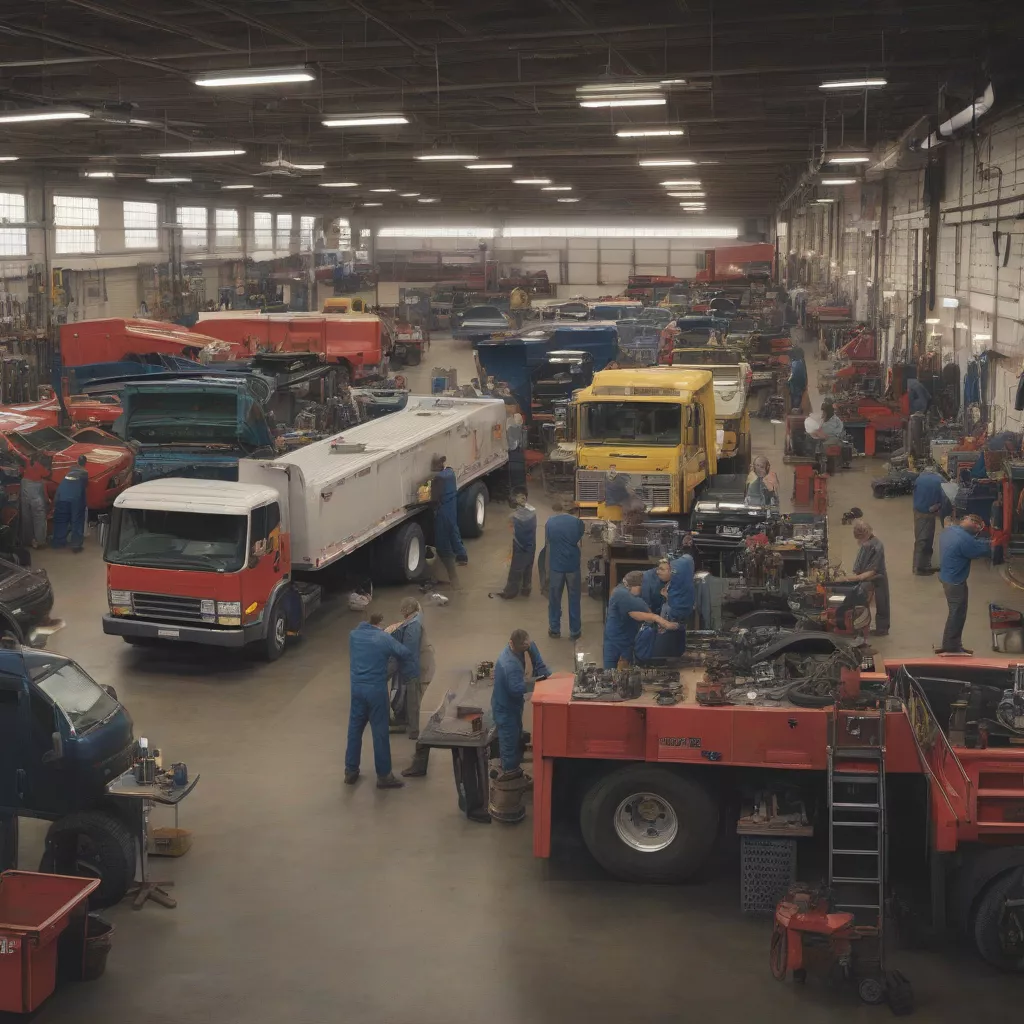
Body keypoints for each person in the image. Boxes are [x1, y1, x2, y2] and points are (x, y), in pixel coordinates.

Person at [345, 612, 415, 789]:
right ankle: (384, 776)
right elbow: (404, 653)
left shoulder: (354, 635)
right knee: (380, 732)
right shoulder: (382, 638)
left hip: (357, 689)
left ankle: (351, 770)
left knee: (355, 729)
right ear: (380, 624)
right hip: (376, 690)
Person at [491, 629, 550, 778]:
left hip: (514, 706)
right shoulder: (509, 665)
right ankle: (510, 773)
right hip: (505, 707)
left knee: (517, 733)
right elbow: (516, 689)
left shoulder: (524, 644)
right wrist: (537, 683)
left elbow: (538, 662)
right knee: (509, 740)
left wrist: (545, 675)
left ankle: (514, 762)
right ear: (512, 644)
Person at [391, 599, 437, 778]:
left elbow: (409, 653)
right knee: (414, 697)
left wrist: (410, 676)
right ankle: (410, 724)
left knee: (415, 698)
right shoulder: (415, 620)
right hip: (423, 665)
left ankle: (415, 730)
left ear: (406, 611)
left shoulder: (412, 627)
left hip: (419, 670)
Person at [937, 514, 991, 655]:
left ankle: (951, 644)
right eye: (978, 528)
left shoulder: (949, 531)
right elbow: (981, 550)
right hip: (955, 582)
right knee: (957, 613)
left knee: (954, 612)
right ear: (973, 525)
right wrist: (994, 543)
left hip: (946, 576)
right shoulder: (964, 539)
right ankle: (952, 647)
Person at [603, 571, 678, 669]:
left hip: (627, 640)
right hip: (615, 642)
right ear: (635, 585)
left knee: (626, 673)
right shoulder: (621, 594)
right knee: (609, 674)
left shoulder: (625, 591)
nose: (642, 590)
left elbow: (637, 611)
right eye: (641, 587)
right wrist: (660, 620)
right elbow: (639, 613)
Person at [545, 500, 585, 640]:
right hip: (572, 566)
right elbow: (578, 537)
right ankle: (575, 631)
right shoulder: (577, 522)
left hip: (556, 566)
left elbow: (549, 539)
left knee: (554, 599)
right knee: (574, 599)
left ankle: (555, 629)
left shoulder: (550, 522)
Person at [843, 520, 889, 636]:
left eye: (860, 538)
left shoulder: (876, 546)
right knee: (863, 600)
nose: (859, 541)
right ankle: (862, 626)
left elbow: (872, 571)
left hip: (877, 578)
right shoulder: (866, 544)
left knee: (881, 603)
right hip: (865, 576)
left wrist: (852, 578)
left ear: (866, 535)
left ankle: (881, 629)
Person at [490, 488, 536, 599]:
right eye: (520, 496)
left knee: (516, 567)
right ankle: (526, 588)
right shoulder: (532, 510)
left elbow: (515, 528)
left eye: (522, 496)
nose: (522, 498)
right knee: (528, 565)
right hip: (531, 543)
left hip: (520, 544)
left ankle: (510, 592)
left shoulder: (515, 516)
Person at [429, 453, 466, 586]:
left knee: (442, 542)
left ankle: (453, 578)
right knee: (453, 531)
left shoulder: (438, 479)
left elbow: (434, 498)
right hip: (451, 507)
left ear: (438, 465)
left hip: (443, 510)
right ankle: (462, 556)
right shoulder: (450, 473)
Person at [912, 469, 952, 575]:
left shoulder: (921, 477)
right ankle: (920, 568)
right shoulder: (942, 483)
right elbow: (945, 502)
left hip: (918, 509)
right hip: (927, 512)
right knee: (924, 539)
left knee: (922, 538)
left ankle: (925, 565)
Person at [51, 455, 89, 552]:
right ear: (85, 463)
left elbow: (59, 491)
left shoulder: (68, 472)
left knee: (60, 520)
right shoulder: (84, 473)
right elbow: (84, 487)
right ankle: (76, 545)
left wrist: (54, 503)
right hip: (75, 499)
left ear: (77, 461)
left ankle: (58, 543)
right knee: (77, 520)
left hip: (62, 497)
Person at [19, 455, 50, 549]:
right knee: (39, 517)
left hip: (24, 493)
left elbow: (21, 456)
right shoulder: (41, 467)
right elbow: (47, 475)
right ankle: (40, 542)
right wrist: (47, 498)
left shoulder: (28, 462)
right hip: (35, 496)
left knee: (26, 517)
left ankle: (28, 540)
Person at [788, 346, 808, 413]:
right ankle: (796, 409)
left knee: (796, 399)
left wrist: (788, 381)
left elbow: (794, 376)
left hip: (796, 386)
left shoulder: (796, 363)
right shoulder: (800, 361)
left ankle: (795, 411)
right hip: (800, 385)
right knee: (798, 397)